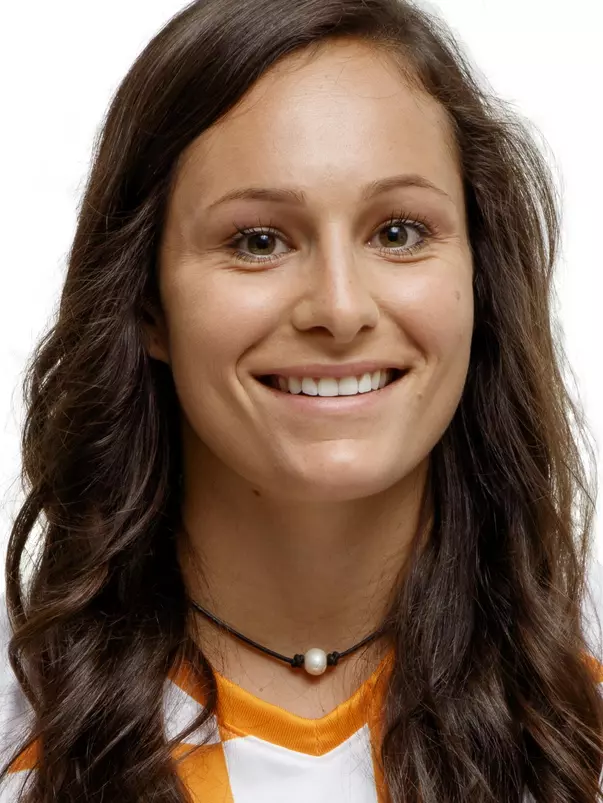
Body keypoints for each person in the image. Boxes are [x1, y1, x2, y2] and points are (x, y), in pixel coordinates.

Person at [1, 0, 602, 800]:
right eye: (257, 240)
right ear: (146, 304)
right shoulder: (20, 726)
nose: (340, 307)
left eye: (397, 232)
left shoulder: (578, 713)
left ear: (477, 279)